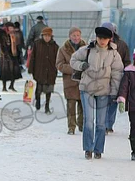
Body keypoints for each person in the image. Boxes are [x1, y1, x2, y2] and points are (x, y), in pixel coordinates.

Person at [70, 26, 124, 160]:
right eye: (100, 38)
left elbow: (117, 73)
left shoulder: (113, 54)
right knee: (88, 121)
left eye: (105, 38)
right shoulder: (87, 49)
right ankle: (88, 149)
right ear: (96, 37)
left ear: (109, 39)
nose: (102, 41)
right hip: (87, 88)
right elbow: (73, 60)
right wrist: (81, 66)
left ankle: (98, 149)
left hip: (104, 91)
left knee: (101, 123)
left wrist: (114, 92)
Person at [100, 22, 131, 135]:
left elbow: (127, 61)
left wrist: (126, 75)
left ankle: (109, 125)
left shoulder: (122, 45)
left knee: (113, 102)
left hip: (117, 78)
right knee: (102, 102)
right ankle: (102, 124)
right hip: (102, 78)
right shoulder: (99, 44)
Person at [56, 27, 87, 135]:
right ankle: (71, 127)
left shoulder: (86, 48)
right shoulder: (63, 49)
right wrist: (74, 68)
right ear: (69, 36)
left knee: (83, 105)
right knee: (71, 105)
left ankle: (81, 124)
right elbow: (59, 65)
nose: (76, 38)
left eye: (78, 35)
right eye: (74, 35)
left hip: (83, 81)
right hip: (70, 81)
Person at [28, 27, 59, 114]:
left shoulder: (55, 46)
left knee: (49, 90)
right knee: (39, 89)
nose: (47, 37)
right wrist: (31, 69)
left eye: (48, 36)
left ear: (51, 36)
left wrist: (58, 68)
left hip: (51, 71)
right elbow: (32, 57)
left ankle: (47, 106)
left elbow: (58, 59)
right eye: (45, 35)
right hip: (39, 70)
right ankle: (37, 101)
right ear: (42, 36)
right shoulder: (37, 44)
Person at [116, 55, 135, 160]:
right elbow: (124, 87)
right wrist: (122, 99)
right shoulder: (129, 72)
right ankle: (134, 151)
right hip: (133, 106)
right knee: (134, 129)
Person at [0, 22, 22, 92]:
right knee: (4, 71)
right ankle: (4, 87)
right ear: (7, 28)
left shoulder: (14, 34)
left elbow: (18, 44)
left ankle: (12, 85)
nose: (12, 29)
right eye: (10, 27)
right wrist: (5, 53)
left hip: (13, 54)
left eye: (12, 28)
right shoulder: (2, 34)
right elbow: (1, 45)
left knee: (14, 71)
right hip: (4, 55)